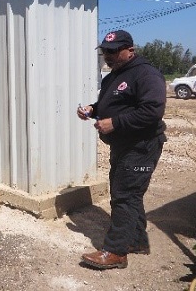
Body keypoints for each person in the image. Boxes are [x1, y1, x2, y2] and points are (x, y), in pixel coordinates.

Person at [77, 29, 167, 269]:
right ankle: (136, 241)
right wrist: (93, 110)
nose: (109, 55)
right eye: (106, 51)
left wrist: (115, 123)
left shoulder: (146, 74)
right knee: (128, 194)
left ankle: (116, 252)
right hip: (123, 144)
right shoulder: (113, 76)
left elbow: (152, 111)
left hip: (141, 145)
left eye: (115, 50)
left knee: (125, 196)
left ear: (130, 51)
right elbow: (111, 104)